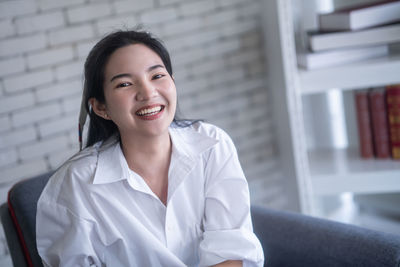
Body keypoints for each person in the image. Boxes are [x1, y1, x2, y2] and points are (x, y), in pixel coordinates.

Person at [36, 29, 264, 267]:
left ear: (173, 83)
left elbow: (231, 250)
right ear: (101, 108)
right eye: (125, 84)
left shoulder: (212, 145)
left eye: (157, 76)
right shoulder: (74, 186)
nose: (148, 93)